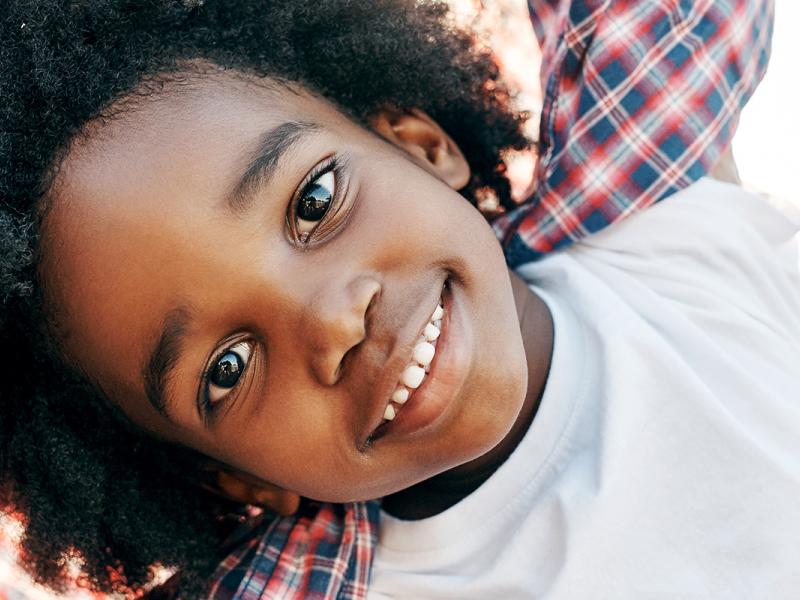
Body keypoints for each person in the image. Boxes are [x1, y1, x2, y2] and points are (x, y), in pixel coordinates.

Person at [0, 1, 777, 599]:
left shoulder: (674, 238)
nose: (331, 321)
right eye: (228, 368)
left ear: (421, 145)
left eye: (315, 202)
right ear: (233, 480)